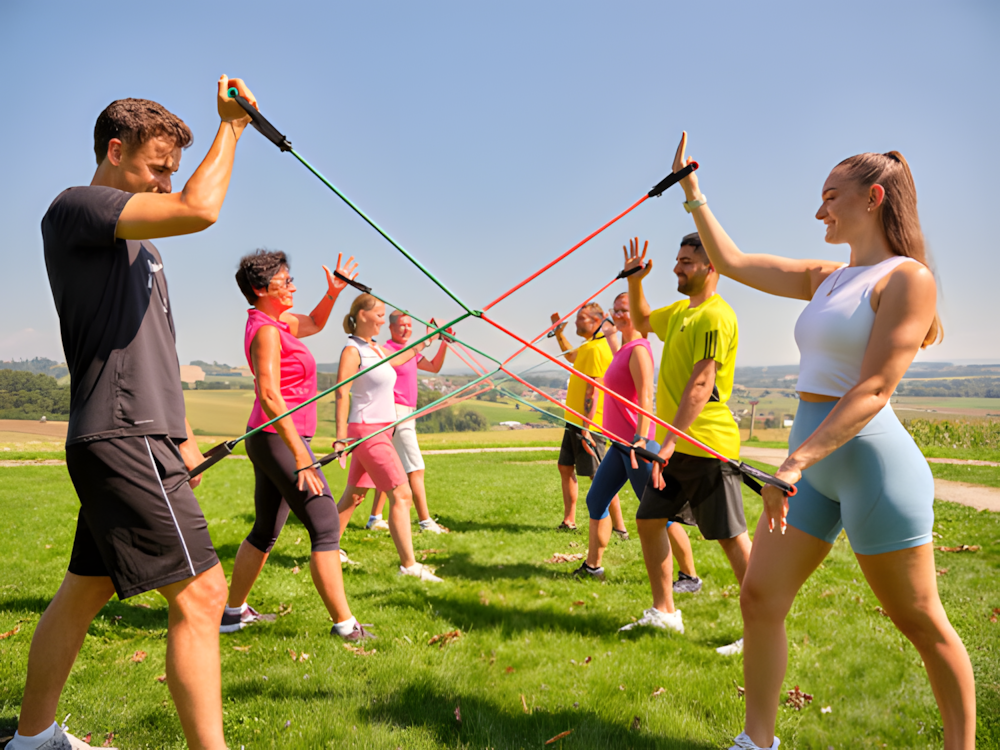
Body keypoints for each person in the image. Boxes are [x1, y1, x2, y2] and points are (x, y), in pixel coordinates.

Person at [669, 134, 976, 750]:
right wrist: (692, 193)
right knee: (759, 596)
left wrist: (796, 461)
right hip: (808, 466)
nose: (819, 213)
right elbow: (729, 261)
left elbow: (875, 388)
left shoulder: (907, 279)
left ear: (875, 197)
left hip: (866, 464)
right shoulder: (829, 278)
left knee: (917, 619)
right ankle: (757, 741)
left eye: (830, 198)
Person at [21, 77, 255, 750]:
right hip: (122, 434)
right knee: (205, 597)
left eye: (171, 172)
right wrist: (232, 128)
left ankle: (33, 740)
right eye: (157, 168)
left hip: (139, 434)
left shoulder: (141, 248)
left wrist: (178, 437)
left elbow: (153, 349)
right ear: (115, 150)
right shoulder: (77, 208)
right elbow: (200, 209)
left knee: (83, 593)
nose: (164, 183)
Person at [221, 249, 374, 642]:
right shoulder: (267, 330)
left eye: (291, 279)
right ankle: (345, 626)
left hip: (271, 439)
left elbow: (317, 323)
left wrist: (334, 292)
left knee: (265, 530)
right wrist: (303, 458)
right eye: (285, 281)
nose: (292, 286)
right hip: (278, 439)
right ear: (260, 288)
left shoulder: (276, 321)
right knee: (325, 525)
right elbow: (270, 396)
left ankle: (232, 613)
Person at [621, 234, 750, 641]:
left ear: (712, 267)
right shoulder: (681, 311)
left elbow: (701, 383)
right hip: (677, 445)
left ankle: (762, 630)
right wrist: (635, 280)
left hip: (706, 445)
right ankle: (664, 612)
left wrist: (669, 444)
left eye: (687, 262)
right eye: (678, 260)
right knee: (648, 520)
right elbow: (642, 321)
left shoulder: (714, 315)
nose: (677, 267)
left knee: (731, 540)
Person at [575, 292, 700, 592]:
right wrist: (595, 319)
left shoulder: (639, 351)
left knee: (659, 512)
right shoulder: (621, 348)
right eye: (614, 310)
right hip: (619, 446)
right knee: (596, 500)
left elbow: (646, 398)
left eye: (624, 310)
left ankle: (690, 577)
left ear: (639, 315)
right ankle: (593, 567)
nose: (617, 315)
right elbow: (607, 330)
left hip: (636, 446)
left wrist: (641, 440)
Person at [334, 294, 442, 581]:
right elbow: (342, 391)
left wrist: (430, 339)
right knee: (401, 493)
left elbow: (403, 357)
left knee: (355, 495)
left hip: (382, 427)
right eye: (379, 314)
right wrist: (340, 438)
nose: (383, 319)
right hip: (367, 430)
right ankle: (409, 565)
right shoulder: (353, 350)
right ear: (363, 314)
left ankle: (327, 548)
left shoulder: (376, 349)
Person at [365, 309, 450, 534]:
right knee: (416, 468)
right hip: (396, 414)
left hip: (405, 413)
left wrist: (444, 342)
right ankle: (425, 522)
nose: (406, 329)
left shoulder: (410, 350)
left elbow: (433, 367)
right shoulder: (389, 350)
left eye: (409, 325)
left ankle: (375, 518)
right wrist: (429, 340)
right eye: (401, 325)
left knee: (390, 468)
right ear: (391, 328)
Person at [549, 303, 622, 532]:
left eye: (582, 318)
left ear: (597, 321)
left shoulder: (597, 349)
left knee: (600, 477)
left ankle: (620, 528)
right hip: (574, 420)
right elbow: (571, 356)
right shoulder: (588, 346)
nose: (577, 323)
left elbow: (594, 390)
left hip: (589, 424)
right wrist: (558, 333)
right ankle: (569, 520)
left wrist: (587, 428)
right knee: (565, 467)